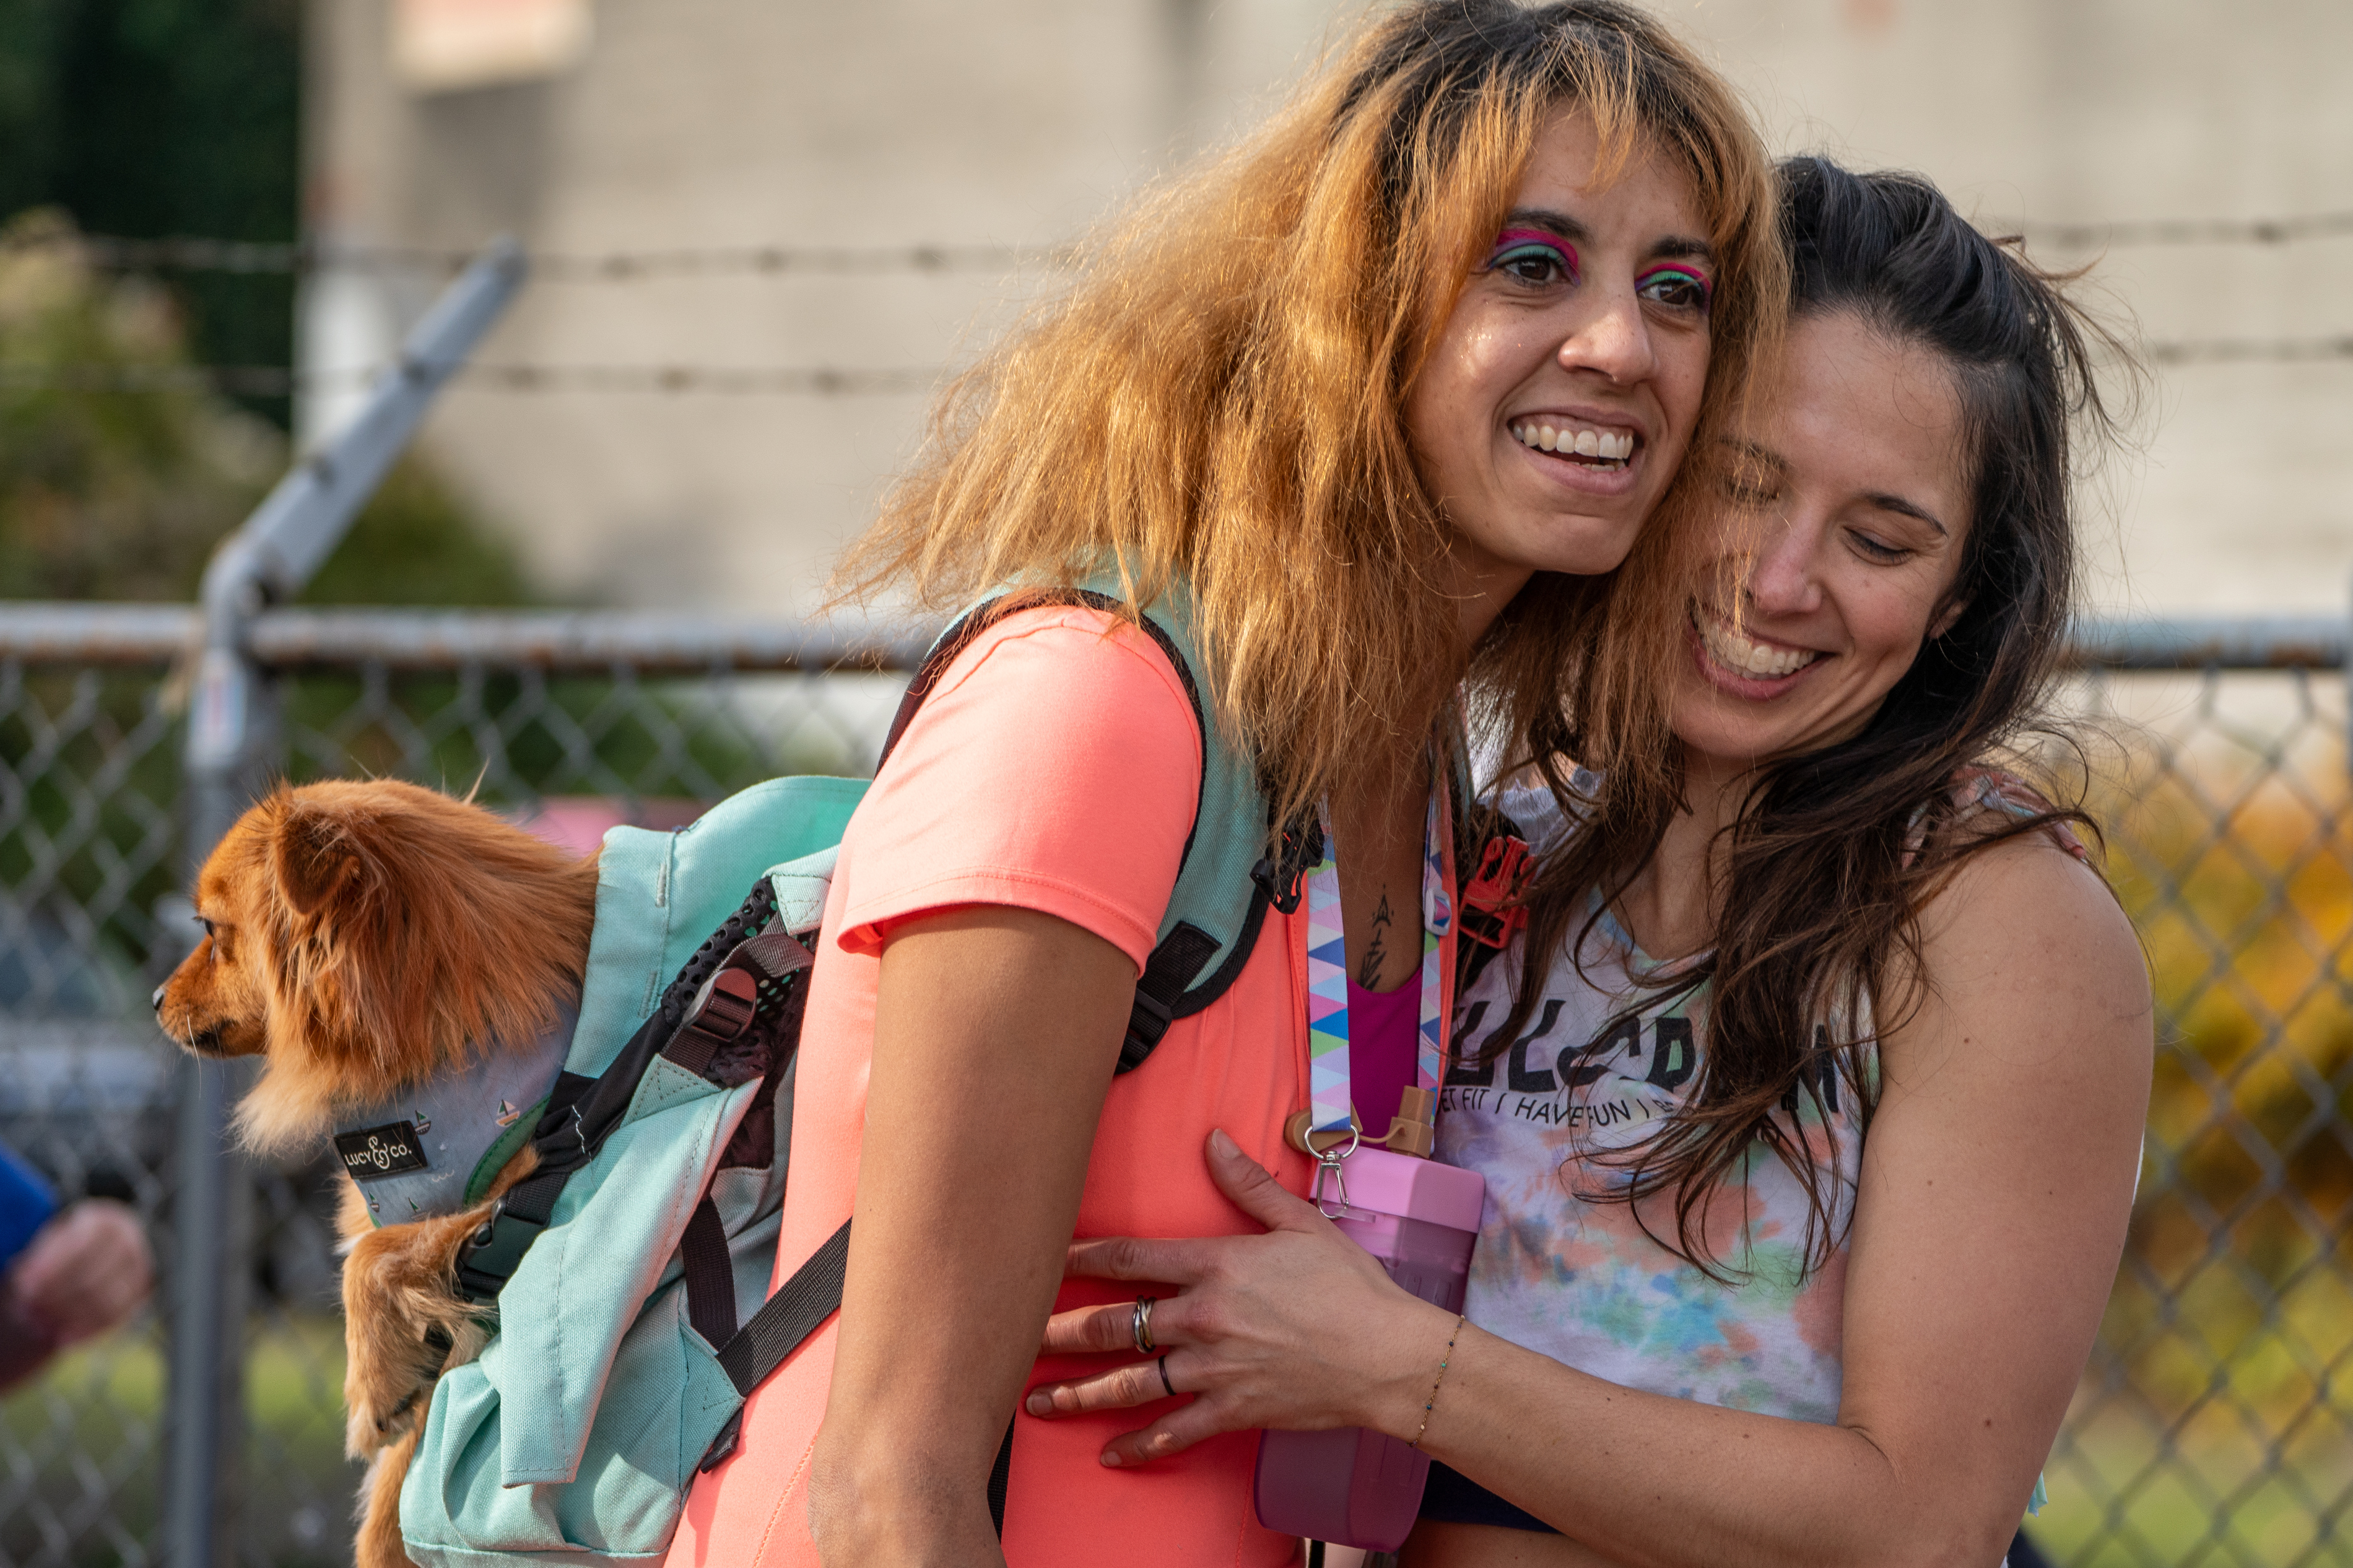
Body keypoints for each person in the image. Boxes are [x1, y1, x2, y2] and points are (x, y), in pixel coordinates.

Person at [666, 4, 1784, 1565]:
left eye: (1680, 292)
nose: (1623, 344)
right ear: (1357, 304)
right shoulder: (1097, 710)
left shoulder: (1406, 783)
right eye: (1532, 265)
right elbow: (885, 1494)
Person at [1022, 157, 2153, 1568]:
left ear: (1958, 598)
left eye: (1877, 538)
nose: (1779, 580)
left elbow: (1920, 1525)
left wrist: (1397, 1371)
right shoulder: (1502, 845)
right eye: (1742, 485)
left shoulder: (1990, 915)